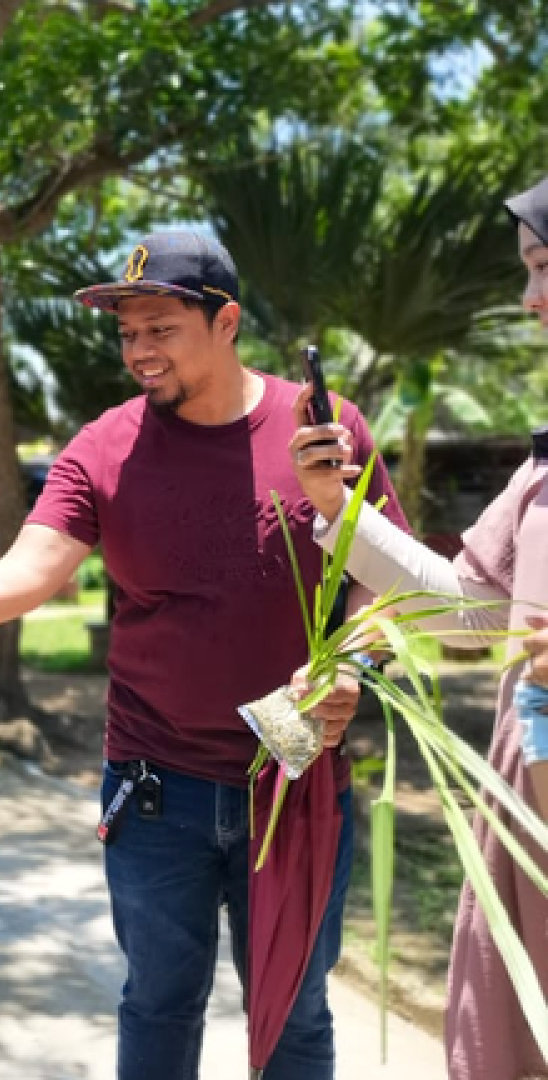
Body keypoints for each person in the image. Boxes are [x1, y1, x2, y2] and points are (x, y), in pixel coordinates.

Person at [0, 229, 408, 1079]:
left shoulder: (324, 431)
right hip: (156, 791)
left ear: (228, 323)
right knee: (158, 1003)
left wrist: (351, 672)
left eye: (160, 330)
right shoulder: (105, 446)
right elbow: (26, 572)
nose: (138, 352)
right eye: (126, 333)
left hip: (294, 786)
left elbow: (389, 583)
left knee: (294, 1013)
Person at [287, 174, 548, 1080]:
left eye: (545, 269)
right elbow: (470, 610)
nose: (530, 299)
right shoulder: (540, 468)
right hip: (528, 817)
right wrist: (335, 506)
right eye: (528, 272)